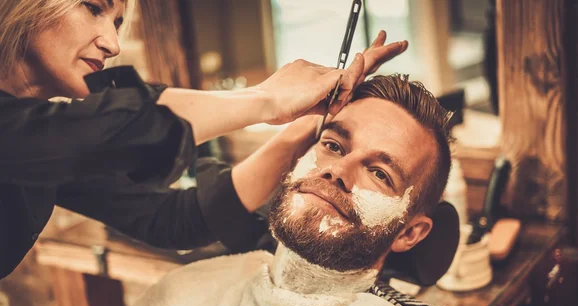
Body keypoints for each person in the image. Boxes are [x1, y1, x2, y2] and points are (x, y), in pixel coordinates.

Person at [42, 75, 510, 306]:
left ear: (410, 233)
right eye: (332, 145)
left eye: (380, 173)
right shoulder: (184, 289)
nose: (337, 171)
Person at [0, 0, 407, 278]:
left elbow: (172, 219)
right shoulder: (40, 133)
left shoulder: (48, 139)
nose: (112, 44)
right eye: (93, 8)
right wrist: (266, 99)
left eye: (117, 24)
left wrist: (307, 127)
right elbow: (127, 128)